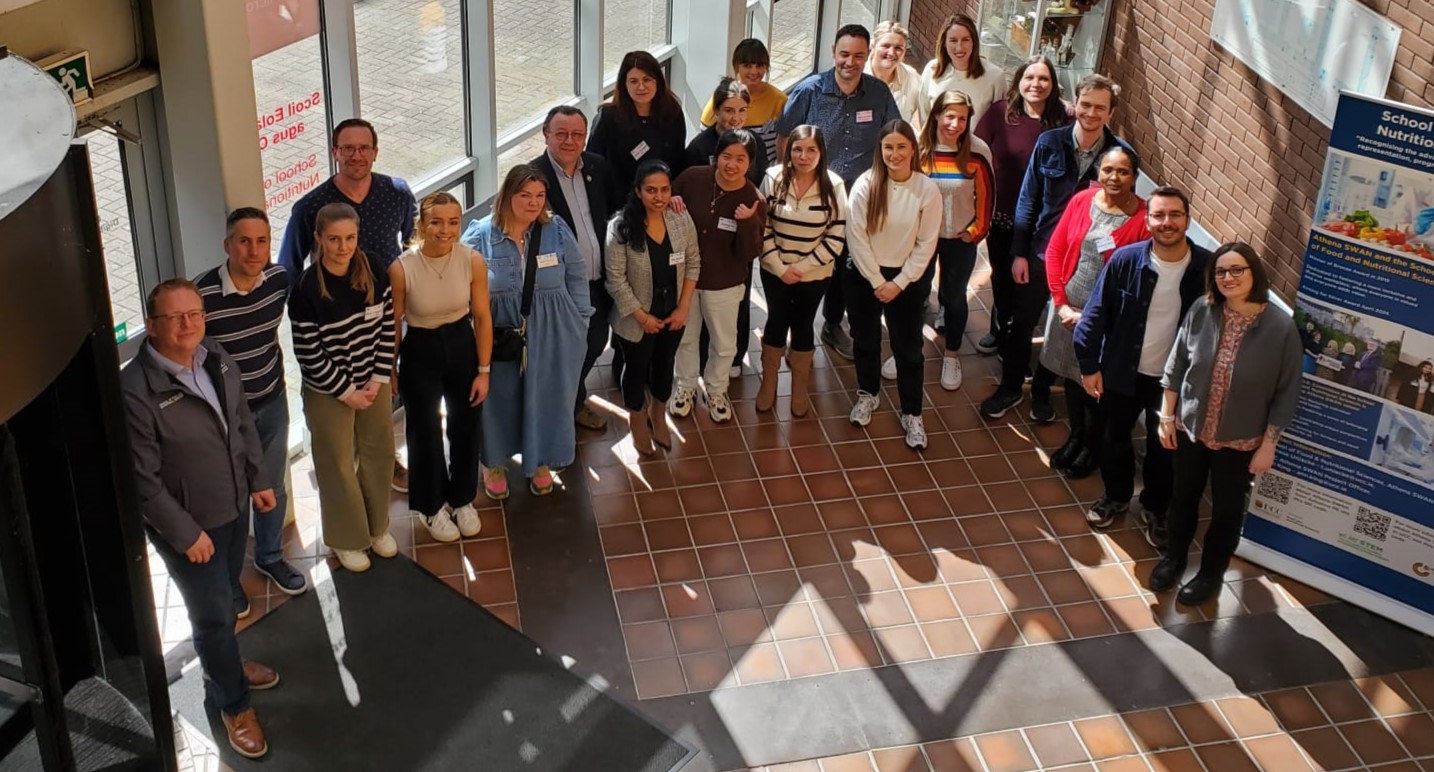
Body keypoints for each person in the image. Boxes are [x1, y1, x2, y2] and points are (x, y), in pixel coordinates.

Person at [124, 279, 281, 759]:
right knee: (212, 616)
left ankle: (225, 665)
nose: (188, 323)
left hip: (234, 508)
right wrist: (186, 533)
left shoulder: (215, 357)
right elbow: (142, 480)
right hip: (192, 529)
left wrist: (259, 478)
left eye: (194, 313)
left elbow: (240, 424)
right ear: (152, 327)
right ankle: (232, 703)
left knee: (228, 596)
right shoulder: (134, 390)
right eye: (174, 317)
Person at [1151, 242, 1302, 606]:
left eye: (1237, 270)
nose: (1228, 278)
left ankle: (1209, 574)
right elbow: (1177, 365)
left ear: (1254, 273)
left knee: (1227, 510)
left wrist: (1269, 444)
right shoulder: (1203, 309)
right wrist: (1167, 415)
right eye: (1221, 272)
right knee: (1183, 498)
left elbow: (1287, 392)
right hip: (1191, 428)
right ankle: (1173, 558)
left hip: (1241, 439)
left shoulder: (1280, 328)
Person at [276, 117, 417, 494]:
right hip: (335, 321)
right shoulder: (311, 207)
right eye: (348, 148)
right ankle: (345, 466)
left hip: (385, 312)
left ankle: (383, 462)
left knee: (383, 385)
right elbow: (289, 266)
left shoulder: (397, 192)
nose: (357, 156)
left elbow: (408, 239)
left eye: (364, 148)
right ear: (335, 152)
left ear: (375, 151)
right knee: (337, 400)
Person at [980, 74, 1128, 422]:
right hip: (1042, 252)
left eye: (1100, 108)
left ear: (1111, 113)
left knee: (1069, 326)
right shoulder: (1049, 142)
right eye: (1086, 104)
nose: (1091, 113)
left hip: (1088, 262)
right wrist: (1019, 252)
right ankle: (1011, 387)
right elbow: (1028, 201)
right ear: (1075, 105)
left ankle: (1043, 391)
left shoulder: (1120, 156)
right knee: (1021, 322)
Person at [1073, 186, 1210, 545]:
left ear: (1188, 220)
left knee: (1164, 448)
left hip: (1173, 383)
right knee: (1114, 439)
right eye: (1159, 215)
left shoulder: (1208, 270)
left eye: (1175, 215)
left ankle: (1155, 508)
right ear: (1147, 221)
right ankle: (1116, 496)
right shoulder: (1125, 260)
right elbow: (1094, 315)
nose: (1167, 223)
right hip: (1122, 372)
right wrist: (1089, 365)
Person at [194, 208, 307, 598]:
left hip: (273, 401)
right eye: (244, 241)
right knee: (231, 499)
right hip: (225, 417)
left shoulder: (278, 281)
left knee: (272, 486)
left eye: (261, 241)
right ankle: (229, 580)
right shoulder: (202, 296)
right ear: (227, 245)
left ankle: (270, 555)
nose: (254, 250)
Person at [461, 166, 593, 496]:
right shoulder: (479, 235)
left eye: (539, 196)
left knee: (548, 394)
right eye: (525, 195)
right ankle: (494, 461)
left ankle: (541, 459)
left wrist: (580, 322)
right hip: (499, 332)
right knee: (497, 398)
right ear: (508, 195)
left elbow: (577, 276)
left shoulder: (556, 229)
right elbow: (458, 281)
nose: (533, 203)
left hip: (554, 330)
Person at [777, 23, 901, 362]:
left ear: (867, 56)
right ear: (833, 53)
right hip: (814, 192)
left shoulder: (879, 94)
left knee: (845, 262)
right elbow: (785, 137)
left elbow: (893, 138)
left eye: (859, 56)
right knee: (802, 262)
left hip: (859, 196)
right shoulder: (809, 91)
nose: (851, 62)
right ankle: (794, 330)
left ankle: (833, 323)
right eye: (845, 54)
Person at [288, 203, 399, 573]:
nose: (342, 247)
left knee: (379, 452)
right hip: (328, 390)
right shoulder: (305, 289)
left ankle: (376, 526)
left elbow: (386, 328)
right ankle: (347, 538)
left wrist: (376, 379)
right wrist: (346, 391)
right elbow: (309, 353)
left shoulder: (374, 270)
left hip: (372, 381)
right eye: (333, 239)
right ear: (318, 238)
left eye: (349, 238)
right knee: (337, 464)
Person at [1038, 147, 1149, 480]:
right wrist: (1060, 302)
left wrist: (1090, 318)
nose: (1113, 178)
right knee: (1071, 377)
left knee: (1095, 384)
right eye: (1107, 170)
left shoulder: (1143, 221)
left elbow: (1138, 281)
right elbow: (1056, 249)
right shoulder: (1081, 201)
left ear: (1135, 177)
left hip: (1106, 319)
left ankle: (1093, 447)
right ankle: (1076, 435)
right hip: (1068, 309)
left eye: (1123, 172)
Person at [390, 192, 491, 540]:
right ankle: (431, 507)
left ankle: (462, 499)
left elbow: (481, 316)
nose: (445, 230)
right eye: (436, 221)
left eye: (453, 222)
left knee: (465, 426)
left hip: (462, 343)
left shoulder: (472, 260)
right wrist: (391, 369)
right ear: (421, 224)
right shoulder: (402, 268)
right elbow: (395, 323)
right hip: (420, 347)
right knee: (424, 431)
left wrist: (484, 370)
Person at [878, 90, 993, 393]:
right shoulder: (918, 148)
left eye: (962, 118)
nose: (955, 124)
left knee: (954, 297)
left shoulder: (977, 151)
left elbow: (987, 196)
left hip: (958, 238)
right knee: (914, 294)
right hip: (920, 238)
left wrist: (975, 231)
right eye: (949, 116)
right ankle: (906, 349)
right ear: (937, 114)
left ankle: (951, 355)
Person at [846, 120, 943, 449]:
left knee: (909, 350)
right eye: (889, 147)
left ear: (913, 149)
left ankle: (912, 413)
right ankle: (868, 393)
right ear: (880, 150)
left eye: (902, 146)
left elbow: (926, 245)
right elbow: (856, 238)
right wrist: (877, 280)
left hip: (907, 280)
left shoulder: (926, 190)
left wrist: (898, 283)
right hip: (865, 275)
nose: (895, 153)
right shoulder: (865, 184)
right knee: (866, 340)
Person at [530, 105, 622, 432]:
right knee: (559, 353)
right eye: (562, 134)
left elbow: (615, 211)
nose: (570, 141)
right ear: (546, 135)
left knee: (595, 342)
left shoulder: (597, 166)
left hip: (599, 281)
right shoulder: (532, 178)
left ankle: (572, 399)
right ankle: (560, 408)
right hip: (558, 289)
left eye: (577, 134)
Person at [973, 55, 1072, 355]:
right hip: (1003, 215)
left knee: (1031, 283)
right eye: (1030, 78)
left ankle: (1018, 337)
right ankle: (999, 328)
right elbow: (977, 152)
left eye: (1044, 79)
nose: (1036, 85)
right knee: (1002, 274)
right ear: (1018, 81)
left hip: (1045, 222)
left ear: (1053, 85)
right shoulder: (1000, 113)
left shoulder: (1064, 121)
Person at [669, 130, 766, 422]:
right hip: (685, 280)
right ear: (716, 156)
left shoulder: (753, 197)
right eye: (726, 156)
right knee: (686, 337)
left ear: (749, 163)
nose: (731, 165)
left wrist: (747, 222)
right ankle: (685, 386)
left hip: (724, 283)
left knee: (724, 342)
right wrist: (672, 200)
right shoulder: (692, 178)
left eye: (740, 159)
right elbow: (666, 208)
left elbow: (751, 253)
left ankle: (716, 389)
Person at [606, 159, 701, 453]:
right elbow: (616, 281)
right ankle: (636, 419)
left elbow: (693, 263)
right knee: (636, 369)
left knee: (664, 365)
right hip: (635, 318)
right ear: (637, 191)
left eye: (664, 189)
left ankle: (657, 414)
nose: (659, 197)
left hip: (672, 313)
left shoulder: (680, 219)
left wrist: (683, 308)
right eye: (651, 190)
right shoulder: (620, 227)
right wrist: (642, 318)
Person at [756, 125, 848, 417]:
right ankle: (768, 383)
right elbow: (762, 226)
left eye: (811, 150)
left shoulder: (833, 186)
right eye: (797, 149)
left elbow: (836, 236)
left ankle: (799, 386)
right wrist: (781, 267)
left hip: (814, 274)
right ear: (788, 150)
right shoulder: (772, 178)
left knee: (804, 323)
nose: (803, 156)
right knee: (776, 320)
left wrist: (802, 267)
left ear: (821, 153)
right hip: (775, 271)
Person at [588, 50, 688, 189]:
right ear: (624, 84)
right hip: (617, 202)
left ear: (658, 81)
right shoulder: (608, 118)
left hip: (659, 199)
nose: (641, 87)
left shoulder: (672, 114)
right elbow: (593, 164)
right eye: (634, 81)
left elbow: (678, 161)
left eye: (647, 80)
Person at [699, 38, 788, 167]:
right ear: (736, 66)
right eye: (747, 66)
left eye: (759, 66)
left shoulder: (779, 100)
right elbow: (705, 145)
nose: (753, 71)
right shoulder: (720, 100)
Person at [918, 14, 1006, 129]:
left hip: (975, 146)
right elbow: (924, 115)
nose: (959, 47)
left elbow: (998, 121)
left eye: (965, 40)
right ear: (944, 43)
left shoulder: (995, 77)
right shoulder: (931, 70)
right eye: (953, 40)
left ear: (974, 42)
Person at [687, 77, 770, 187]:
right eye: (729, 111)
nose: (736, 118)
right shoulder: (699, 148)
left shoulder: (756, 142)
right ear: (716, 110)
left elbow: (762, 183)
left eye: (742, 110)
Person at [865, 20, 923, 129]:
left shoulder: (912, 78)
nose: (891, 53)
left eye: (898, 48)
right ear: (872, 46)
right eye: (886, 46)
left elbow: (927, 115)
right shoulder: (856, 76)